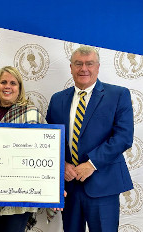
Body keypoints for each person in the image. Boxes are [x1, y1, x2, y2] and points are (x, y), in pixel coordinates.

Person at [46, 46, 134, 232]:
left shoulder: (118, 95)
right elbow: (50, 141)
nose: (83, 68)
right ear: (71, 67)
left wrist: (91, 164)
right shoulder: (57, 99)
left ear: (98, 67)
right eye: (78, 64)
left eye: (89, 64)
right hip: (69, 186)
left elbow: (123, 137)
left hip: (104, 184)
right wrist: (62, 164)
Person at [0, 66, 54, 232]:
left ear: (19, 89)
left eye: (13, 83)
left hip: (18, 194)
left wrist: (54, 186)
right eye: (3, 82)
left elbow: (48, 151)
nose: (7, 86)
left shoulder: (31, 113)